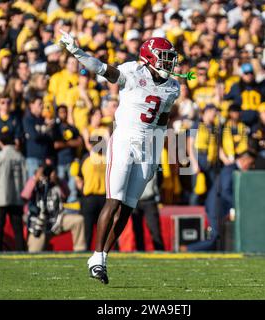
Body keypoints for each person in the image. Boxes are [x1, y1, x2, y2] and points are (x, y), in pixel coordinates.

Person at [60, 31, 180, 284]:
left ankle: (103, 256)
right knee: (114, 201)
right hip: (125, 141)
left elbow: (160, 123)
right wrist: (77, 53)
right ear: (148, 58)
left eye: (170, 58)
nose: (169, 63)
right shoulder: (132, 73)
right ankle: (96, 257)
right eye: (164, 58)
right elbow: (102, 69)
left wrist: (157, 153)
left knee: (127, 208)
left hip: (149, 148)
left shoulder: (173, 87)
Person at [22, 165, 86, 252]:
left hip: (57, 220)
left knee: (78, 220)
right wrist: (35, 179)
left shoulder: (57, 183)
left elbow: (67, 194)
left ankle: (80, 251)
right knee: (34, 253)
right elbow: (25, 195)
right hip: (39, 224)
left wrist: (57, 181)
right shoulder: (34, 181)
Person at [0, 133, 27, 251]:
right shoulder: (20, 157)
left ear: (1, 142)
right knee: (18, 230)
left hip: (1, 198)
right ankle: (21, 252)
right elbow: (26, 178)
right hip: (17, 199)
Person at [131, 174, 164, 251]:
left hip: (150, 199)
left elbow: (160, 178)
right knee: (137, 230)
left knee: (155, 230)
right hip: (134, 200)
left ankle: (160, 252)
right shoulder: (130, 162)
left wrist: (155, 192)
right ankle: (140, 251)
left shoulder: (155, 162)